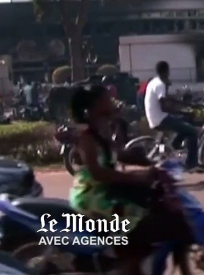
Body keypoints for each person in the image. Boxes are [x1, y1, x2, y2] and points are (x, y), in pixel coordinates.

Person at [68, 85, 193, 275]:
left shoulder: (102, 129)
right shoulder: (87, 138)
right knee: (139, 220)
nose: (111, 101)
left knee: (150, 206)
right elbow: (98, 173)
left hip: (106, 188)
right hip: (91, 194)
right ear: (96, 105)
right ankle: (117, 261)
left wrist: (152, 162)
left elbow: (120, 154)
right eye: (107, 99)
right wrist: (135, 178)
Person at [145, 61, 201, 172]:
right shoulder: (160, 84)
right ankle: (191, 164)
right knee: (193, 131)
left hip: (155, 118)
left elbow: (168, 98)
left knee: (186, 122)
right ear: (166, 71)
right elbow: (164, 107)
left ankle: (176, 143)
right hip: (161, 119)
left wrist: (186, 104)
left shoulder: (154, 82)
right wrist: (184, 112)